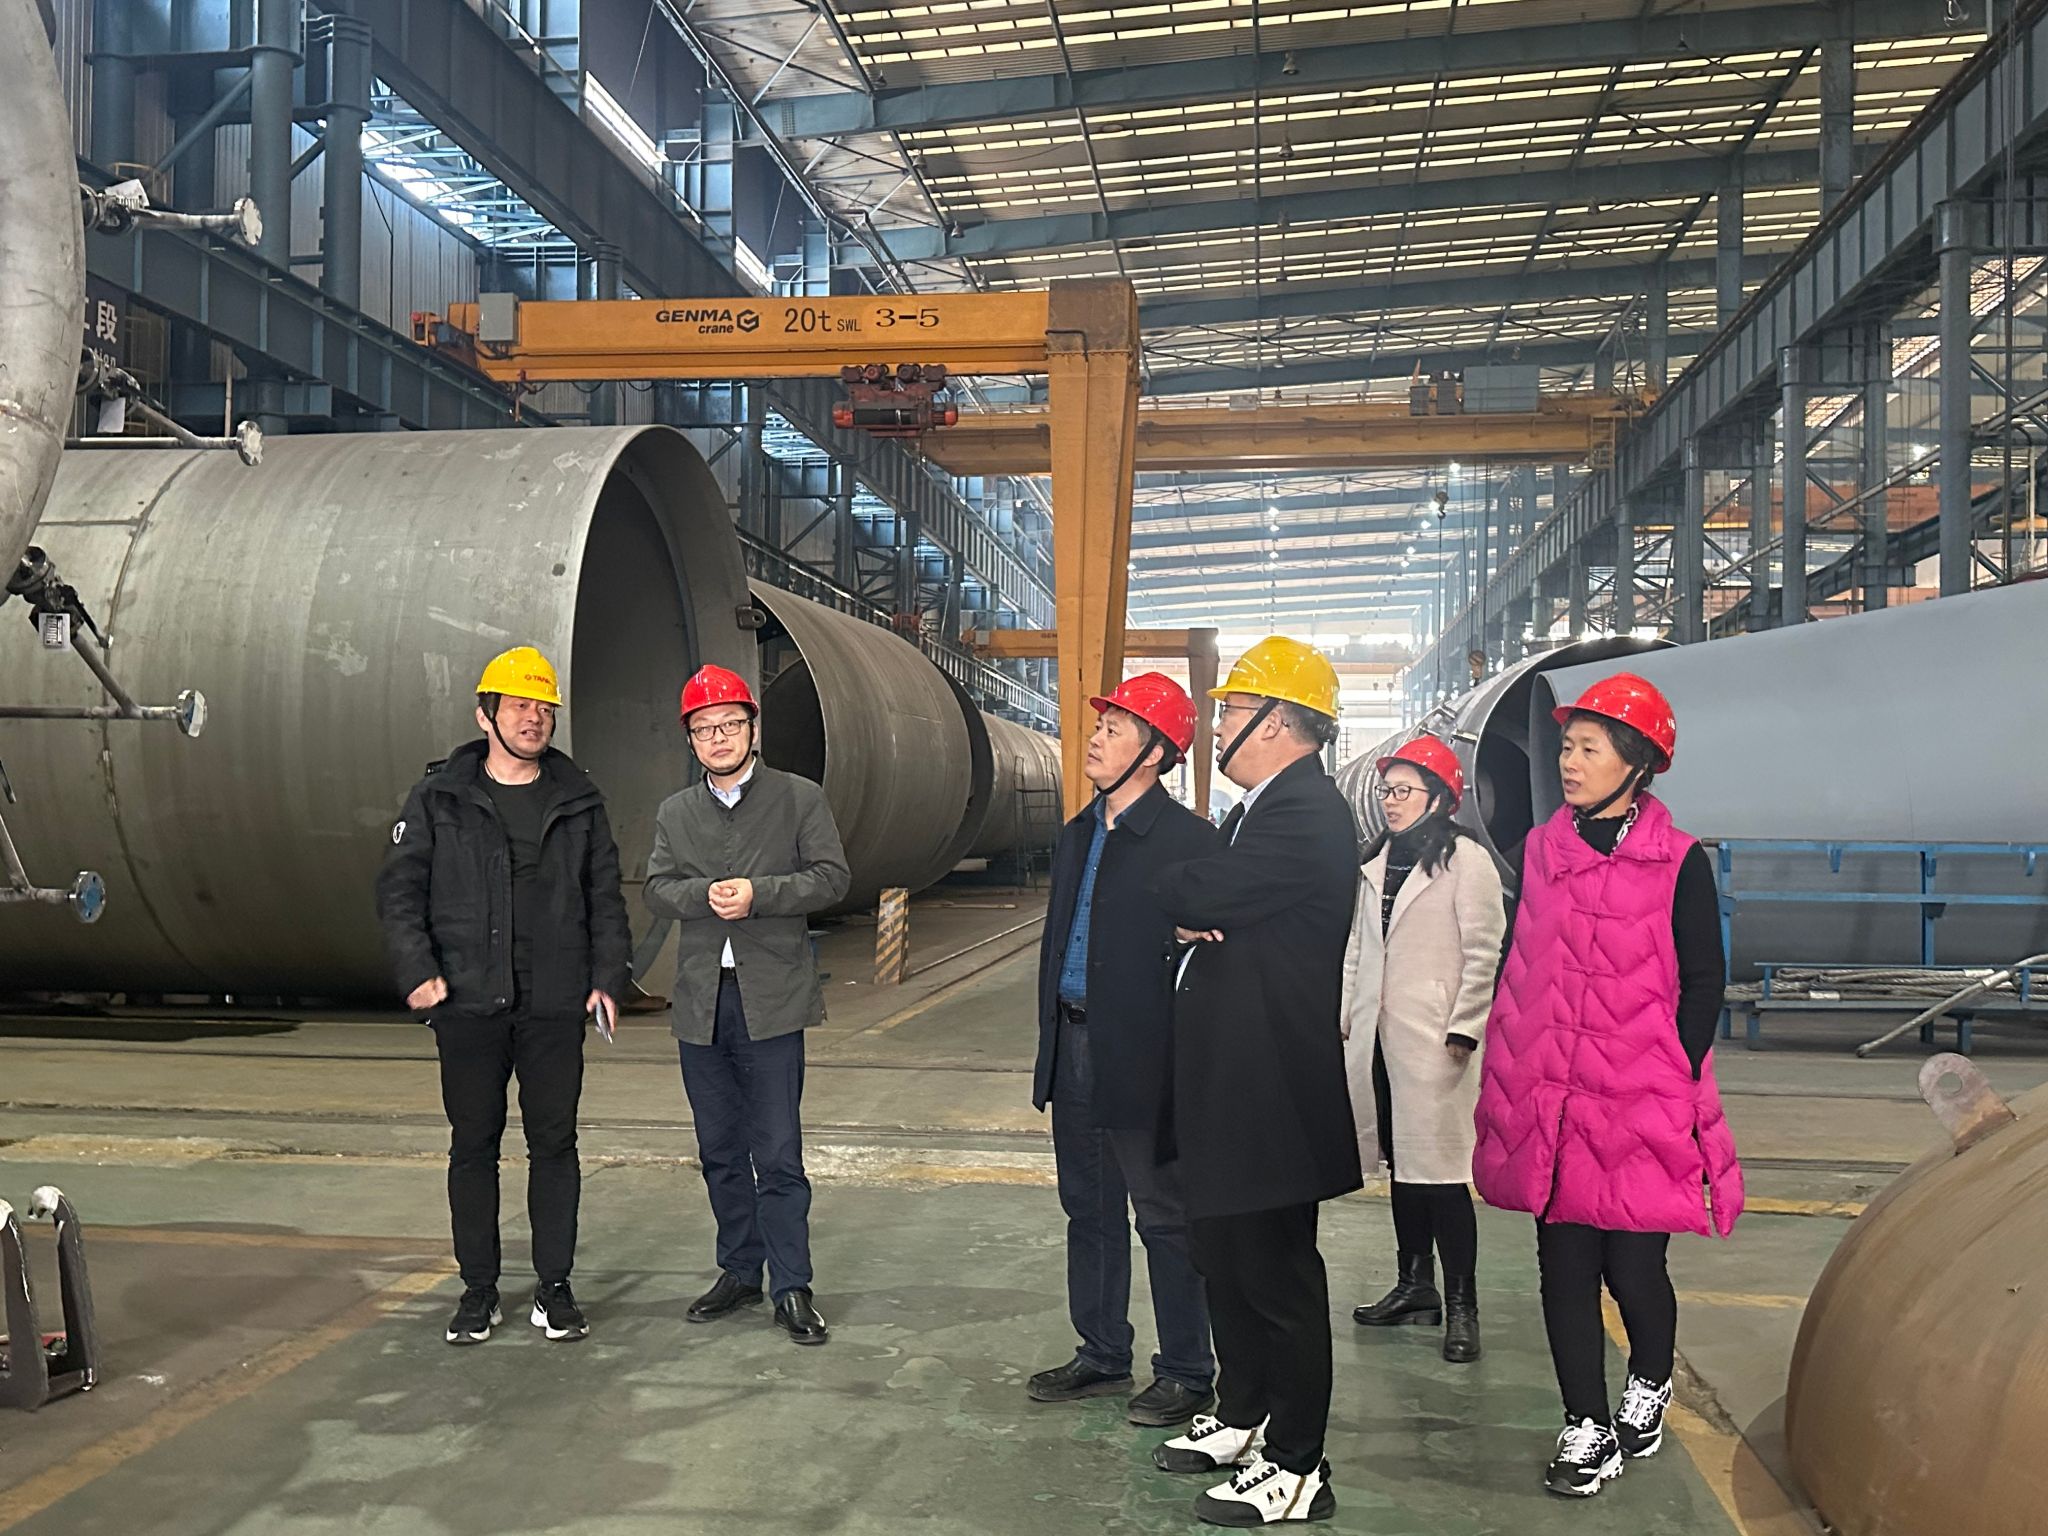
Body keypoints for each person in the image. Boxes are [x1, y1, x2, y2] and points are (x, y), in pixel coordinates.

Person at [1472, 672, 1742, 1499]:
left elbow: (1705, 979)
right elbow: (1521, 963)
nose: (1570, 762)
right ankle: (1586, 1424)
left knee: (1632, 1269)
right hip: (1553, 1101)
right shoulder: (1541, 853)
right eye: (1567, 747)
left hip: (1638, 1102)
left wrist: (1672, 1069)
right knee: (1562, 1268)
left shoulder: (1679, 860)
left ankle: (1649, 1384)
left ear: (1637, 761)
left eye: (1589, 748)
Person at [1147, 636, 1363, 1528]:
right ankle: (1244, 1414)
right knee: (1225, 1261)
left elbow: (1198, 892)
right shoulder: (1257, 811)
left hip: (1270, 1090)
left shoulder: (1306, 812)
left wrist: (1189, 898)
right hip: (1231, 1083)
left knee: (1277, 1279)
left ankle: (1300, 1465)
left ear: (1278, 722)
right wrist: (1197, 908)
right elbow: (1207, 900)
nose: (1220, 725)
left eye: (1233, 709)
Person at [377, 646, 630, 1347]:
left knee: (555, 1144)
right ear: (484, 714)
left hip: (554, 1002)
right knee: (473, 1145)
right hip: (467, 1001)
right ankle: (479, 1289)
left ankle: (555, 1287)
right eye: (520, 705)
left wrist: (607, 977)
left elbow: (605, 896)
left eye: (544, 708)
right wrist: (418, 969)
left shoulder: (578, 799)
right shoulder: (439, 798)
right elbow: (400, 892)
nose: (534, 718)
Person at [1028, 673, 1220, 1429]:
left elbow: (1215, 953)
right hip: (1072, 1040)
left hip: (1146, 1050)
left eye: (1114, 728)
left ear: (1155, 752)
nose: (1096, 737)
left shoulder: (1189, 843)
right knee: (1089, 1209)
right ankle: (1103, 1351)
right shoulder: (1079, 832)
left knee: (1164, 1216)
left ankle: (1187, 1370)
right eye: (1099, 725)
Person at [645, 663, 850, 1346]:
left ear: (753, 729)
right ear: (691, 740)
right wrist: (700, 895)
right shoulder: (676, 812)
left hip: (773, 1001)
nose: (719, 737)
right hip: (702, 1002)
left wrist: (761, 894)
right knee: (720, 1150)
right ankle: (739, 1270)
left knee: (779, 1153)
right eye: (705, 729)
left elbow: (831, 877)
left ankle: (792, 1285)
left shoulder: (799, 799)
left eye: (730, 724)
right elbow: (656, 887)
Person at [1339, 734, 1504, 1364]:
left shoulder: (1467, 861)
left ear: (1439, 797)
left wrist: (1465, 1026)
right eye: (1387, 790)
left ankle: (1463, 1305)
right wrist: (1345, 1013)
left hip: (1437, 1042)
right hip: (1378, 1038)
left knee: (1442, 1175)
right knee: (1402, 1168)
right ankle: (1415, 1286)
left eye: (1403, 791)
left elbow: (1483, 951)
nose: (1390, 801)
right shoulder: (1374, 861)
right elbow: (1357, 948)